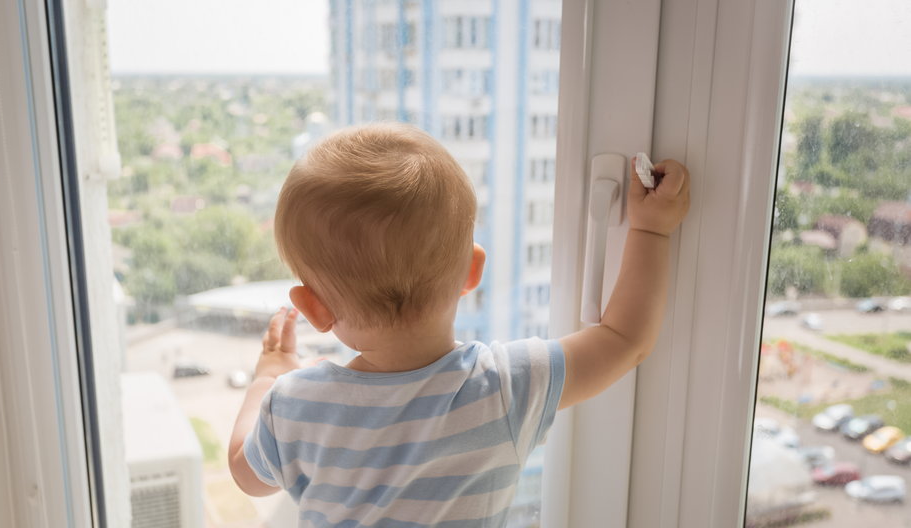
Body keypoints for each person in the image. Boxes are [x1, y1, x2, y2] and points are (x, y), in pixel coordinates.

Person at [228, 122, 690, 526]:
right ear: (472, 271)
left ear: (314, 309)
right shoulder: (506, 386)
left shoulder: (292, 405)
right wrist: (651, 229)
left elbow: (244, 473)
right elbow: (625, 339)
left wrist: (269, 374)